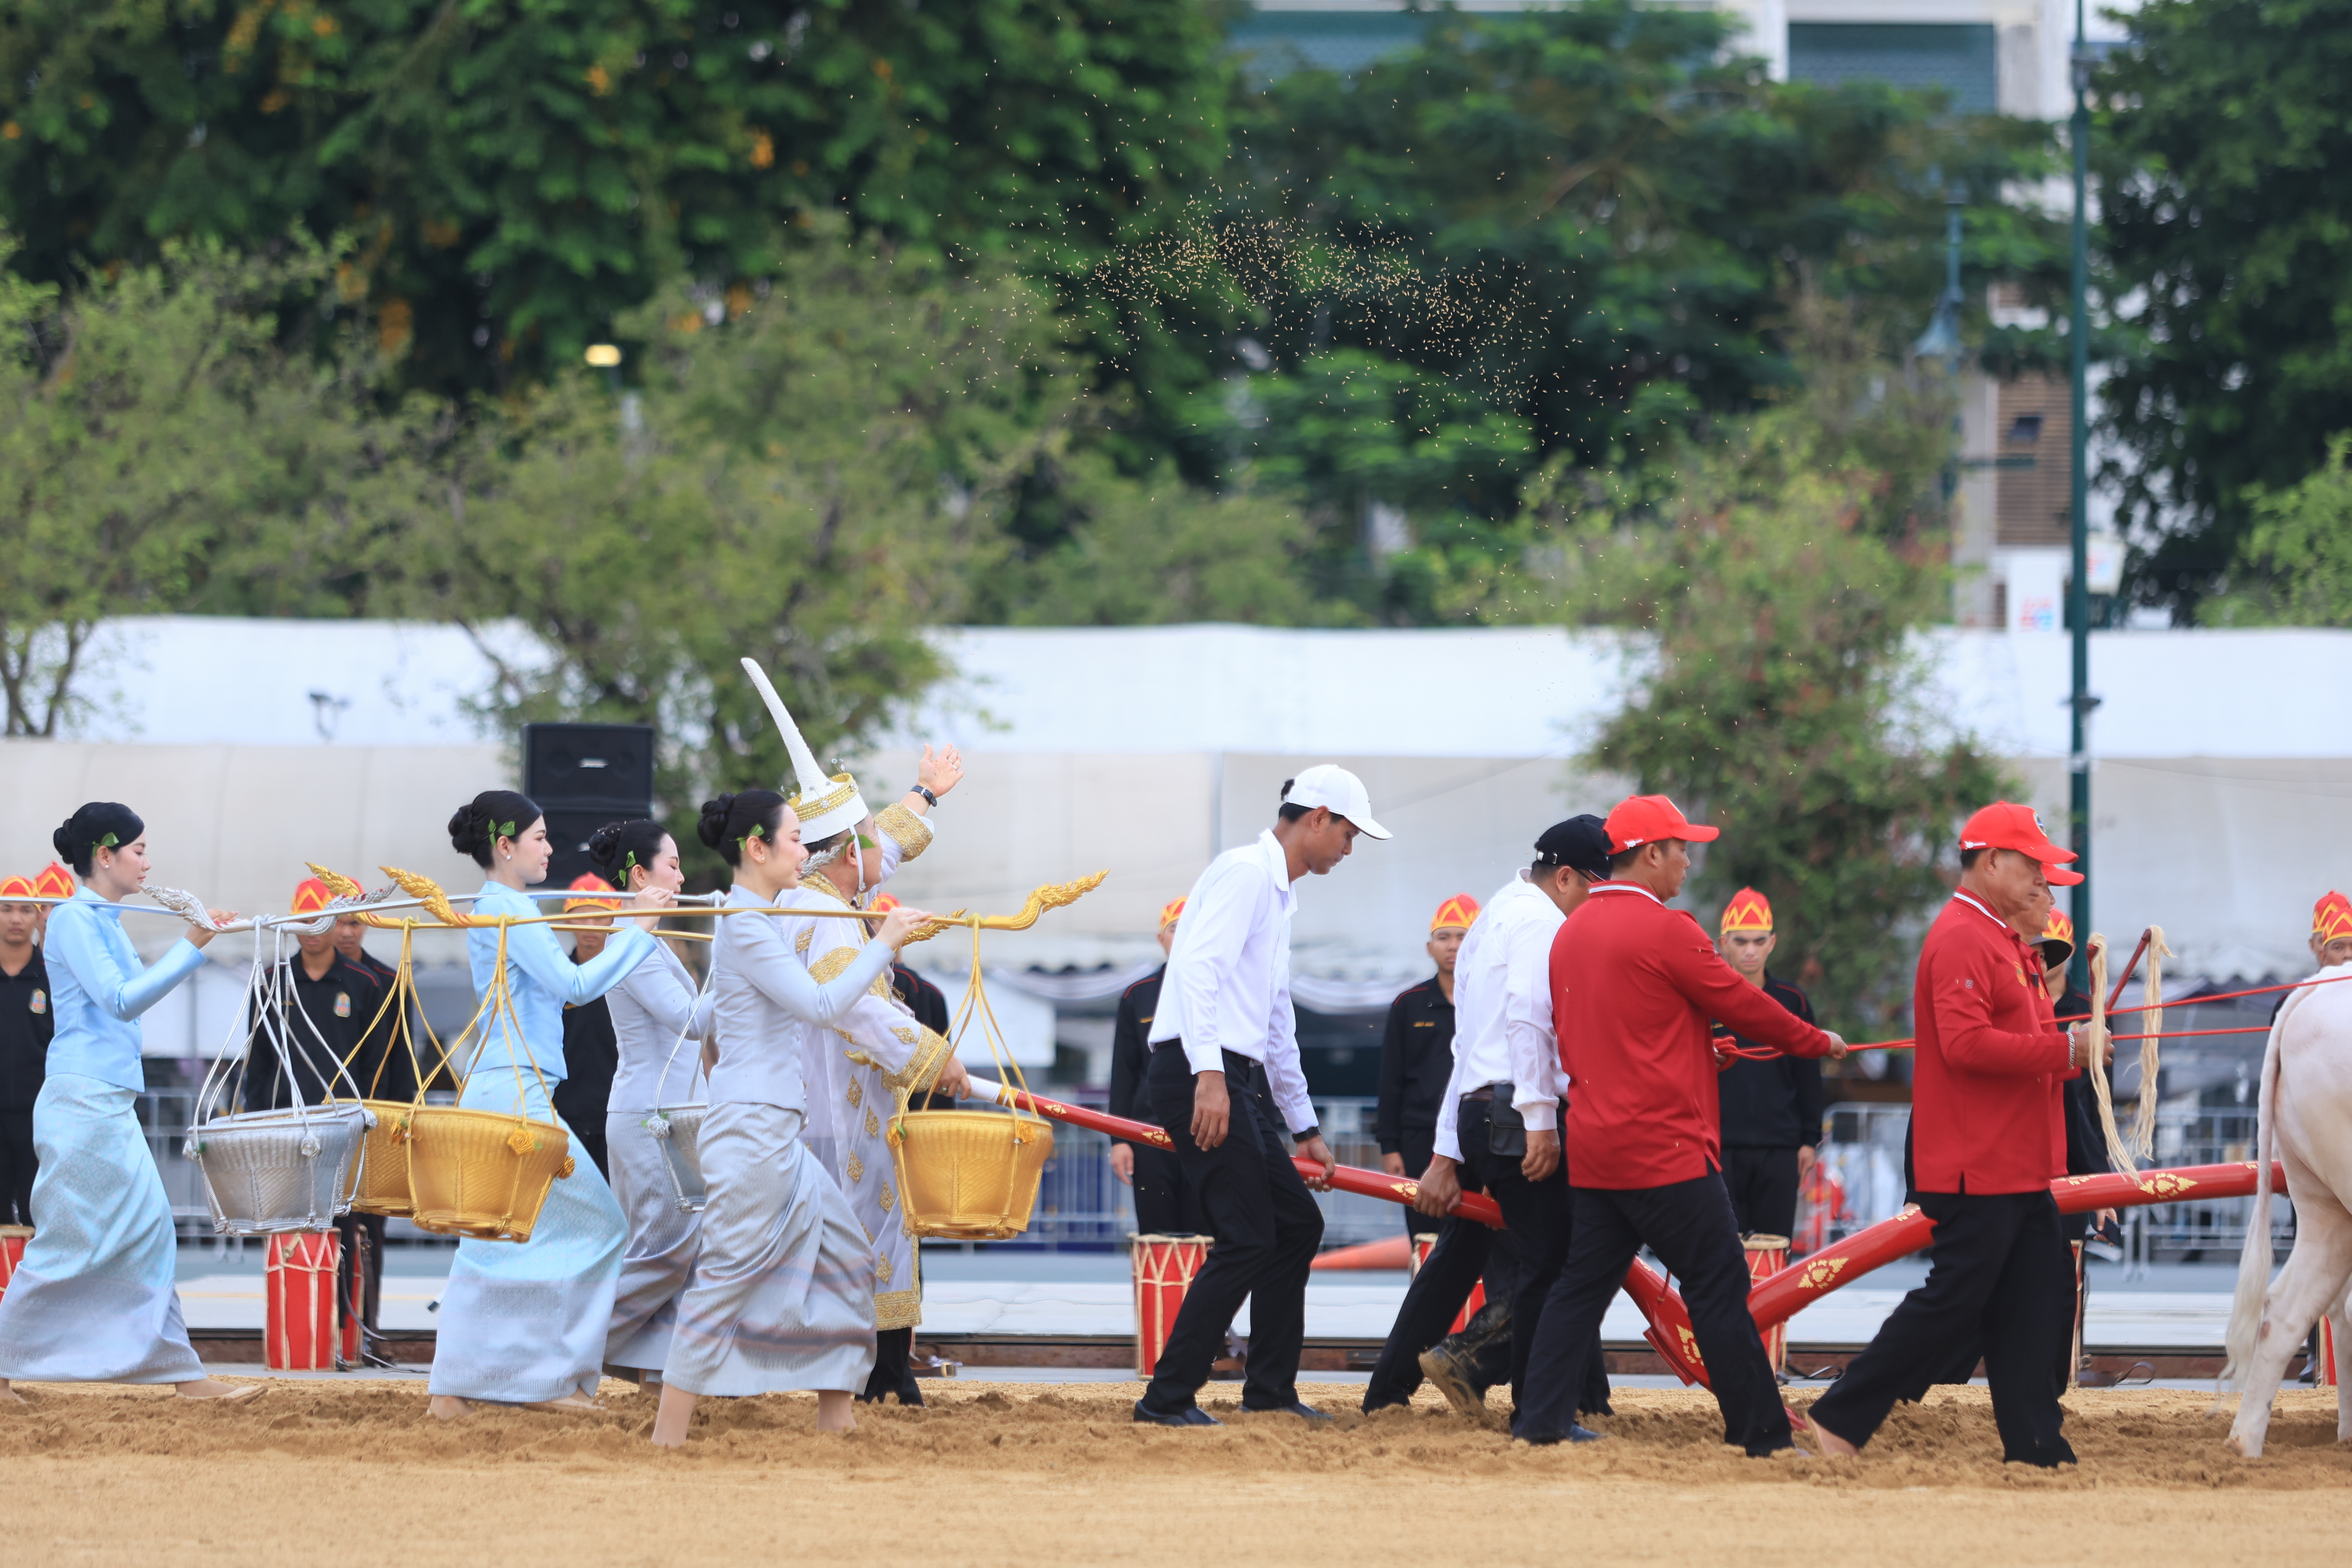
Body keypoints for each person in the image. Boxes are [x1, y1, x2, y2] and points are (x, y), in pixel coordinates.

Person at [1515, 795, 1846, 1452]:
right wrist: (1816, 1040)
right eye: (1682, 849)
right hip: (1665, 1149)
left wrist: (1700, 1048)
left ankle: (1539, 1420)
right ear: (1650, 853)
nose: (1689, 863)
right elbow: (1744, 1005)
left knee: (1579, 1286)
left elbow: (1613, 1030)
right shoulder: (1670, 929)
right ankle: (1762, 1433)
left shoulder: (1571, 930)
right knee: (1720, 1288)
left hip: (1599, 1144)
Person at [1806, 803, 2106, 1468]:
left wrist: (2067, 1045)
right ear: (1990, 860)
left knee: (2029, 1305)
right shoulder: (1964, 938)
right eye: (2033, 866)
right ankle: (1839, 1416)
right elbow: (1969, 1045)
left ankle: (2037, 1445)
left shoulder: (1996, 937)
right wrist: (2066, 1052)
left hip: (2016, 1164)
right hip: (1981, 1164)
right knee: (1953, 1302)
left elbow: (2014, 1040)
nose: (2043, 882)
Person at [652, 790, 940, 1446]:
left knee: (848, 1257)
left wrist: (908, 814)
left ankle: (836, 1417)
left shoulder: (757, 912)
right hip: (751, 1131)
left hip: (771, 1125)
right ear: (756, 849)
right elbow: (819, 1004)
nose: (806, 854)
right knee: (726, 1277)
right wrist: (885, 941)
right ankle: (668, 1434)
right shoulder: (749, 924)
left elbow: (857, 863)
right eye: (794, 841)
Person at [1133, 766, 1383, 1427]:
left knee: (1298, 1225)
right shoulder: (1247, 872)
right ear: (1319, 818)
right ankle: (1167, 1397)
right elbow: (1196, 970)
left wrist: (1304, 1125)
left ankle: (1270, 1389)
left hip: (1224, 1072)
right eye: (1350, 835)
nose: (1349, 851)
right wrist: (1209, 1076)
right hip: (1199, 1070)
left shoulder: (1278, 894)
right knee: (1246, 1237)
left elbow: (1276, 1022)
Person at [747, 680, 967, 1404]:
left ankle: (881, 1372)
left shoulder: (816, 894)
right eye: (867, 835)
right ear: (843, 854)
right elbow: (862, 1015)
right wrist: (939, 1060)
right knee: (866, 1231)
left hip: (840, 1095)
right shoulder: (832, 917)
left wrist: (924, 794)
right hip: (842, 1104)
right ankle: (874, 1374)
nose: (880, 845)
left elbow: (883, 852)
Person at [0, 802, 257, 1404]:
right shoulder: (71, 919)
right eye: (138, 849)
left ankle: (181, 1371)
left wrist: (194, 941)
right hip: (81, 1102)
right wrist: (194, 944)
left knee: (147, 1230)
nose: (147, 860)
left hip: (102, 1100)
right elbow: (121, 1000)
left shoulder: (104, 920)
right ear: (105, 855)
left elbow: (127, 996)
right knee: (70, 1239)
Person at [426, 790, 671, 1420]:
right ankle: (548, 1380)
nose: (549, 848)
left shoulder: (507, 906)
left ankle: (461, 1386)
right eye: (539, 837)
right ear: (505, 846)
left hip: (515, 1085)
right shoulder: (507, 908)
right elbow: (577, 984)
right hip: (514, 1091)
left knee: (500, 1239)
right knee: (596, 1226)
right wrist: (640, 926)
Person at [1370, 819, 1616, 1419]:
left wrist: (1448, 1151)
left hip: (1482, 1109)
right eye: (1595, 889)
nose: (1597, 906)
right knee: (1556, 1261)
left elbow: (1465, 1045)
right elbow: (1529, 1022)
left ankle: (1389, 1389)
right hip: (1518, 1110)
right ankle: (1522, 1396)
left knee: (1461, 1253)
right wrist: (1539, 1120)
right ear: (1565, 878)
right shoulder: (1540, 922)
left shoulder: (1498, 913)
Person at [587, 819, 714, 1384]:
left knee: (683, 1251)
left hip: (670, 1115)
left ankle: (662, 1377)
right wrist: (741, 959)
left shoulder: (651, 942)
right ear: (640, 875)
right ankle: (570, 1348)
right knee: (665, 1249)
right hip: (650, 1119)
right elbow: (691, 1024)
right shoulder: (630, 944)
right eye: (673, 865)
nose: (682, 876)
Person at [1710, 888, 1825, 1240]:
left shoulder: (1792, 1000)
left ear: (1772, 943)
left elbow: (1809, 1074)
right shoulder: (1706, 1000)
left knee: (1775, 1249)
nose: (1750, 950)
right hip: (1720, 1146)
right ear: (1723, 943)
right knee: (1722, 1249)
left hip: (1779, 1148)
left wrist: (1809, 1140)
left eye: (1759, 941)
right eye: (1741, 941)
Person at [239, 877, 387, 1112]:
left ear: (334, 922)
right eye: (303, 922)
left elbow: (375, 1060)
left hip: (344, 1114)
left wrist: (372, 1113)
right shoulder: (271, 981)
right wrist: (256, 1114)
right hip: (283, 1113)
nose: (311, 930)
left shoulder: (364, 983)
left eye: (319, 922)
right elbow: (258, 1057)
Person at [1375, 894, 1476, 1234]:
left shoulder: (1491, 1001)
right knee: (1426, 1238)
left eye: (1463, 937)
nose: (1453, 946)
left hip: (1477, 1136)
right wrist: (1390, 1146)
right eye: (1444, 937)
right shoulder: (1409, 1004)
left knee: (1479, 1237)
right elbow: (1391, 1080)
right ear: (1429, 946)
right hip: (1420, 1140)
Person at [1109, 897, 1202, 1236]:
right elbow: (1124, 1072)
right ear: (1160, 938)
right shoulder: (1138, 994)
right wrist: (1118, 1140)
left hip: (1209, 1132)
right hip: (1149, 1135)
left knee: (1207, 1234)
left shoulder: (1224, 989)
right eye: (1174, 928)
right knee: (1156, 1232)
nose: (1183, 935)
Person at [554, 874, 623, 1180]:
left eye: (600, 917)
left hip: (618, 1115)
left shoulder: (628, 979)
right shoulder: (555, 981)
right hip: (564, 1117)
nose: (591, 927)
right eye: (581, 917)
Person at [0, 875, 51, 1227]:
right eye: (6, 909)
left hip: (39, 1119)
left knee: (41, 1217)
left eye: (25, 910)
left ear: (38, 917)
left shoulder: (53, 976)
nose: (16, 919)